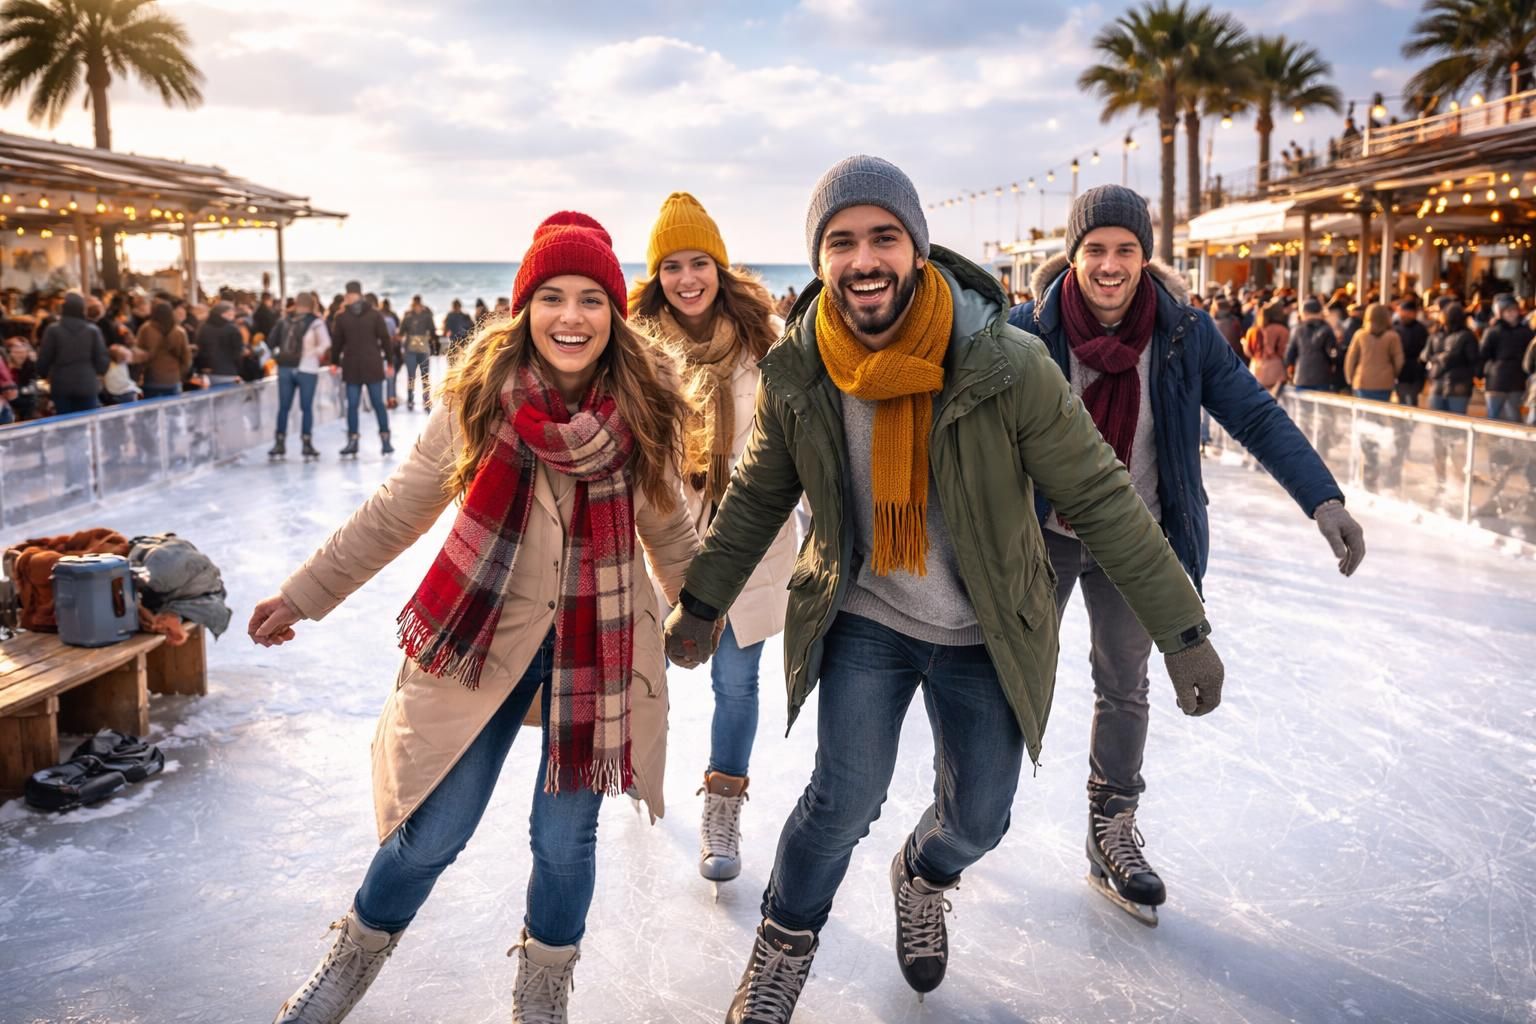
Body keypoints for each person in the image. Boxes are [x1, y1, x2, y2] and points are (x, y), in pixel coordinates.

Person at [663, 156, 1225, 1021]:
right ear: (820, 262)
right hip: (865, 613)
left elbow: (1101, 494)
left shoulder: (1007, 361)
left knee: (981, 817)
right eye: (842, 242)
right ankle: (782, 944)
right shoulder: (800, 367)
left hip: (983, 624)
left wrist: (1183, 631)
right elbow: (758, 492)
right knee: (841, 798)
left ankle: (924, 873)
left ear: (918, 248)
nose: (864, 259)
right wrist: (703, 601)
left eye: (884, 236)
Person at [251, 212, 699, 1023]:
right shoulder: (480, 401)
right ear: (525, 307)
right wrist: (304, 594)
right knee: (431, 832)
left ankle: (541, 990)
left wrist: (702, 613)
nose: (571, 317)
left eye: (591, 299)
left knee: (565, 845)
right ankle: (351, 959)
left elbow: (669, 528)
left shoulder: (645, 408)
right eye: (553, 297)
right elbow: (398, 510)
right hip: (480, 641)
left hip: (597, 649)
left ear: (614, 313)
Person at [1011, 185, 1360, 929]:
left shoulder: (1182, 335)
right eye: (1096, 249)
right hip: (1042, 535)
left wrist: (1321, 499)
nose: (1110, 266)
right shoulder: (1029, 332)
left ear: (1145, 257)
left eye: (1125, 250)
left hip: (1140, 540)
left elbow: (1256, 416)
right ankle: (961, 822)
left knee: (1125, 682)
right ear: (1073, 255)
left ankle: (1112, 827)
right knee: (1002, 673)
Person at [629, 192, 797, 895]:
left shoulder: (770, 340)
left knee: (736, 680)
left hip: (752, 540)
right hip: (667, 533)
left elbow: (799, 443)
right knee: (645, 672)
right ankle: (626, 774)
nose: (687, 278)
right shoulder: (632, 344)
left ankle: (722, 803)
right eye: (672, 266)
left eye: (700, 262)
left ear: (720, 268)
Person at [329, 280, 394, 456]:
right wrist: (334, 362)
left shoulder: (374, 315)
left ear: (357, 294)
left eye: (349, 294)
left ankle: (385, 439)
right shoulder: (342, 317)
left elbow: (385, 339)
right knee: (352, 405)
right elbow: (337, 343)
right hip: (352, 368)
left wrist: (390, 362)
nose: (347, 297)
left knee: (378, 404)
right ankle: (353, 440)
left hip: (372, 366)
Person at [267, 292, 331, 459]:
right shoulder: (316, 322)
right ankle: (306, 443)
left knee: (283, 407)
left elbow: (270, 343)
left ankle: (279, 443)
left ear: (296, 304)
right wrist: (312, 353)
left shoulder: (284, 320)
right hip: (307, 369)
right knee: (306, 408)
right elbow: (326, 343)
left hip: (285, 368)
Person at [37, 293, 109, 415]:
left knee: (65, 425)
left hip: (61, 384)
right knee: (87, 423)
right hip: (87, 383)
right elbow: (102, 362)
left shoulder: (53, 330)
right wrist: (96, 373)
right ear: (82, 309)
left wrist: (43, 374)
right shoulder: (93, 330)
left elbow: (44, 358)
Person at [1478, 294, 1532, 422]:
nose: (1511, 314)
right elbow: (1483, 355)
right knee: (1493, 417)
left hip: (1517, 381)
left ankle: (1512, 442)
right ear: (1499, 313)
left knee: (1514, 417)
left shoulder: (1526, 332)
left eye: (1514, 310)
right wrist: (1480, 374)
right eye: (1508, 311)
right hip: (1495, 381)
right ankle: (1493, 441)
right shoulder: (1492, 331)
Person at [1344, 303, 1404, 402]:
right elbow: (1399, 360)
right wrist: (1393, 374)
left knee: (1363, 413)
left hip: (1362, 380)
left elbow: (1351, 358)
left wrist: (1349, 378)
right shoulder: (1393, 336)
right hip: (1385, 381)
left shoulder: (1360, 335)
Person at [1425, 303, 1479, 414]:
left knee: (1438, 422)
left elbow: (1426, 356)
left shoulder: (1436, 334)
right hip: (1457, 384)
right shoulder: (1467, 336)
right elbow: (1474, 359)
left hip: (1443, 383)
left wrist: (1438, 358)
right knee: (1455, 421)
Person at [134, 301, 193, 400]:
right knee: (173, 412)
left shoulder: (145, 329)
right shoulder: (179, 331)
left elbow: (138, 353)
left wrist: (139, 373)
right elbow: (186, 357)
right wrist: (181, 374)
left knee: (152, 411)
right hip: (173, 378)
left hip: (151, 378)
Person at [1286, 297, 1340, 390]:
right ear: (1320, 312)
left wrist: (1290, 370)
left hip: (1301, 377)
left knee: (1302, 405)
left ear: (1304, 313)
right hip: (1322, 378)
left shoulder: (1297, 329)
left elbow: (1289, 355)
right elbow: (1333, 354)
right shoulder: (1326, 329)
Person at [194, 301, 247, 386]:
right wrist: (239, 371)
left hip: (208, 372)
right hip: (229, 372)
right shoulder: (232, 329)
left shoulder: (203, 328)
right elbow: (237, 353)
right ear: (224, 314)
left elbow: (200, 350)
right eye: (231, 314)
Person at [399, 294, 437, 411]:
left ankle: (426, 400)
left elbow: (432, 330)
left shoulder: (425, 315)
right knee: (412, 377)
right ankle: (411, 400)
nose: (417, 307)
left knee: (424, 376)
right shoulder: (408, 316)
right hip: (412, 350)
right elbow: (401, 332)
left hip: (422, 349)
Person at [1392, 296, 1430, 406]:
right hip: (1400, 372)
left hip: (1416, 372)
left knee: (1412, 401)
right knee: (1402, 400)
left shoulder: (1421, 329)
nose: (1405, 315)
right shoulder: (1395, 328)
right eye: (1403, 312)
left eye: (1408, 312)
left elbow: (1425, 351)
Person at [1244, 302, 1289, 390]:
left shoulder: (1252, 330)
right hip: (1275, 369)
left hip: (1255, 368)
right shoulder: (1282, 330)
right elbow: (1283, 352)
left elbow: (1248, 352)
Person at [443, 298, 474, 363]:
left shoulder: (451, 316)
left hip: (458, 341)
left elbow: (445, 330)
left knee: (453, 362)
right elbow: (472, 329)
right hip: (462, 341)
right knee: (460, 361)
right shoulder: (465, 316)